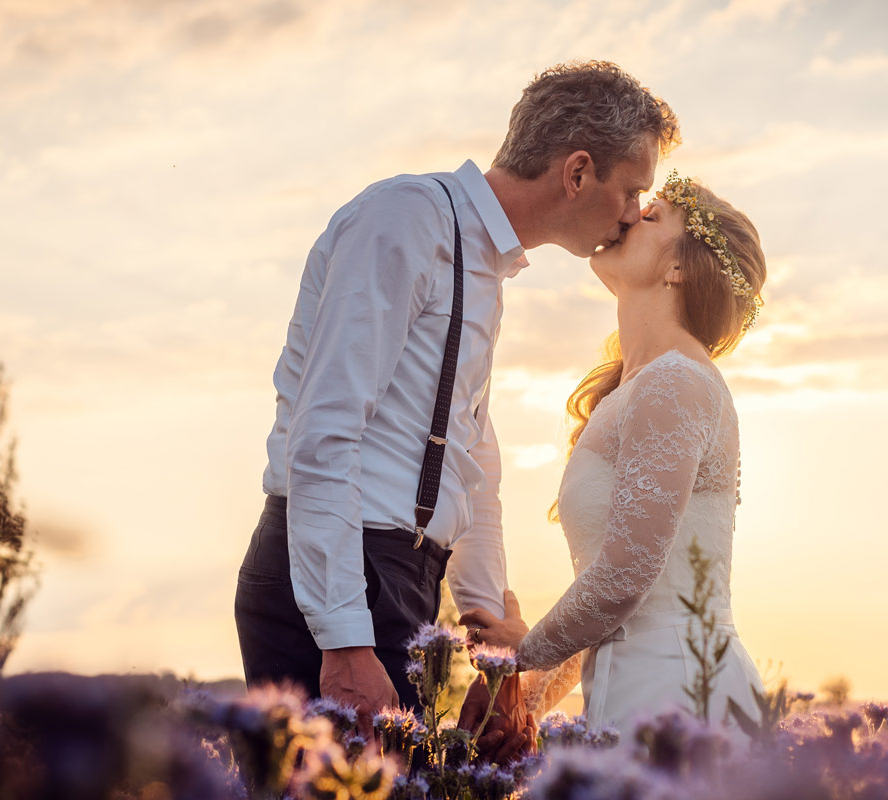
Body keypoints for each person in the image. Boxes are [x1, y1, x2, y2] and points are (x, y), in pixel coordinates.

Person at [234, 60, 681, 760]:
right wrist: (345, 641)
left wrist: (488, 626)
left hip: (398, 581)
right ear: (577, 172)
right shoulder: (406, 220)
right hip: (333, 578)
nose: (631, 212)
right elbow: (325, 432)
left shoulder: (486, 268)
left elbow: (471, 466)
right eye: (631, 190)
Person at [458, 172, 769, 734]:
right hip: (636, 683)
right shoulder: (640, 387)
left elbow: (628, 576)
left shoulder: (676, 382)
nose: (629, 218)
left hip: (677, 690)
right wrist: (524, 701)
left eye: (650, 218)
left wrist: (522, 652)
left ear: (679, 269)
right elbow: (614, 601)